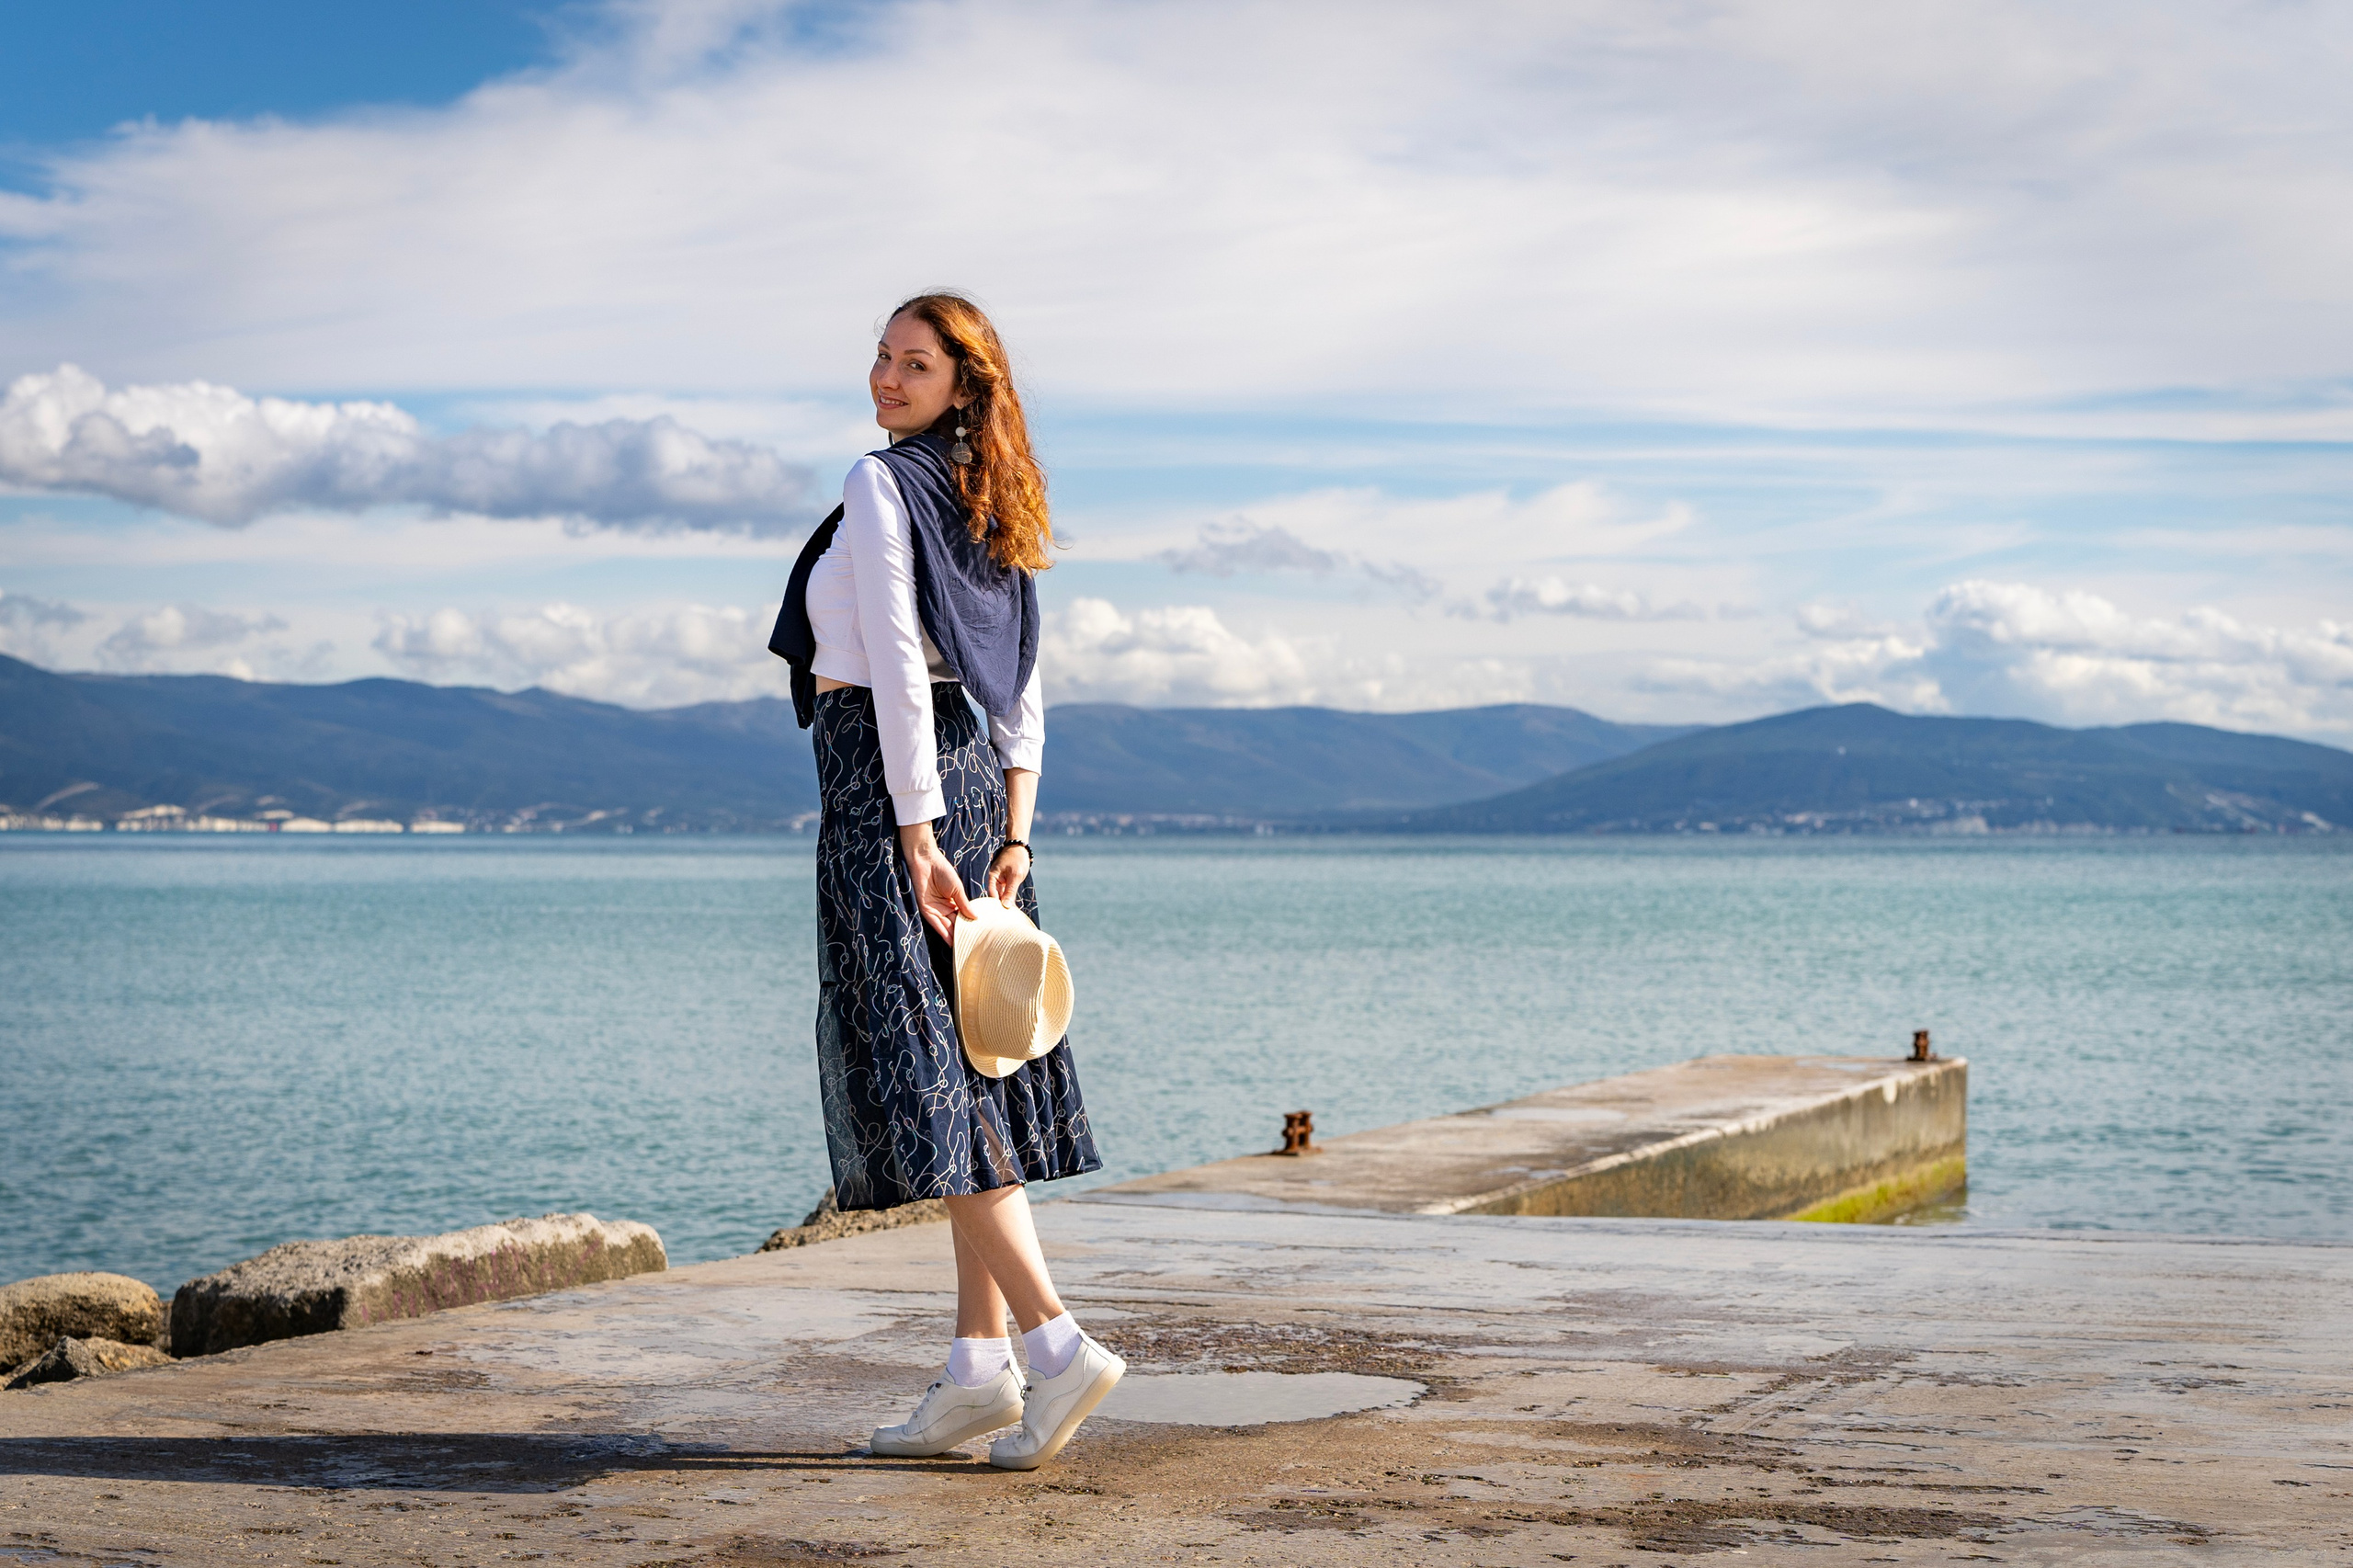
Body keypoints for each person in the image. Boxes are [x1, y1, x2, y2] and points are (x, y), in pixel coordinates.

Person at [777, 291, 1122, 1471]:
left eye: (913, 365)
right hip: (978, 794)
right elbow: (1019, 678)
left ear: (963, 383)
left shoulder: (884, 486)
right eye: (880, 357)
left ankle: (1056, 1341)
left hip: (894, 797)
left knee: (937, 1090)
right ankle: (979, 1371)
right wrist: (1015, 830)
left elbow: (881, 664)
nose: (885, 379)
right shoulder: (990, 486)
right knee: (969, 1069)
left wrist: (916, 838)